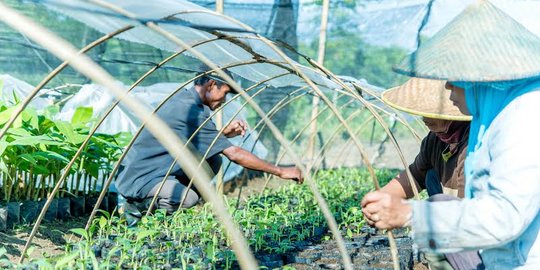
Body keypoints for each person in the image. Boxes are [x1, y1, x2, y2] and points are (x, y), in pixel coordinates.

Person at [361, 1, 540, 269]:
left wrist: (412, 214)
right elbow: (415, 175)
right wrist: (383, 200)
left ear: (479, 78)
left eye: (454, 78)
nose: (448, 86)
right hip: (497, 253)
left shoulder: (524, 116)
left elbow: (504, 217)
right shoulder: (492, 119)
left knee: (440, 203)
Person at [116, 67, 303, 224]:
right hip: (141, 178)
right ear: (212, 84)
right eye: (226, 93)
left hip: (152, 172)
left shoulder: (187, 102)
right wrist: (281, 171)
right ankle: (144, 214)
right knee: (187, 198)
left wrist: (222, 134)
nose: (224, 100)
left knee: (213, 159)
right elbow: (235, 154)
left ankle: (164, 209)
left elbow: (189, 139)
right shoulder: (189, 110)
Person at [381, 78, 479, 269]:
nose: (424, 118)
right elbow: (414, 175)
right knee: (430, 176)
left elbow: (465, 217)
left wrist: (408, 214)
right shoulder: (434, 141)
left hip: (471, 234)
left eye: (430, 112)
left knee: (435, 211)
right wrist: (382, 198)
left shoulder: (472, 146)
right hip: (450, 222)